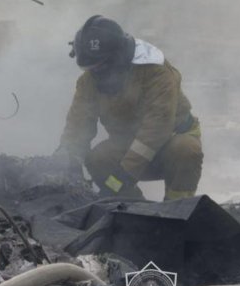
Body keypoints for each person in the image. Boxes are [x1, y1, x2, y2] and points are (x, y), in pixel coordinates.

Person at [56, 15, 203, 201]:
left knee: (186, 149)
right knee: (98, 160)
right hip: (131, 145)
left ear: (117, 58)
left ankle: (177, 211)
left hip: (169, 145)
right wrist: (68, 158)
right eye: (90, 68)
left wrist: (122, 177)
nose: (95, 74)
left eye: (100, 67)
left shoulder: (155, 71)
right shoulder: (89, 80)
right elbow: (78, 124)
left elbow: (156, 130)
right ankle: (135, 210)